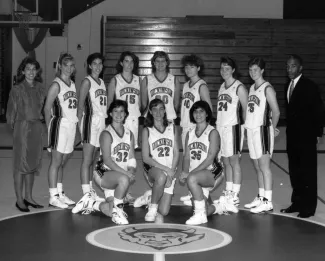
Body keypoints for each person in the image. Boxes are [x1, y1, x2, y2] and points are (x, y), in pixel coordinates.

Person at [72, 100, 136, 225]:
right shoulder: (106, 133)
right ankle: (118, 211)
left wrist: (131, 170)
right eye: (115, 111)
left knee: (109, 209)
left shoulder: (129, 134)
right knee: (124, 179)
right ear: (110, 114)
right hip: (103, 172)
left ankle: (91, 203)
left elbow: (132, 157)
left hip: (118, 175)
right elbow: (107, 160)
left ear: (126, 114)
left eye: (122, 111)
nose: (118, 114)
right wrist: (126, 174)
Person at [179, 101, 237, 225]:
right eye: (195, 111)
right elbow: (186, 157)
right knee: (205, 209)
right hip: (196, 175)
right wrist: (184, 172)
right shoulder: (189, 134)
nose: (198, 114)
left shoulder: (213, 132)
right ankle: (221, 206)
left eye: (201, 111)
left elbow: (210, 159)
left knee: (192, 179)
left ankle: (200, 216)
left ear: (207, 114)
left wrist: (189, 174)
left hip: (213, 172)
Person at [280, 54, 324, 218]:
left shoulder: (309, 86)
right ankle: (297, 202)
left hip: (307, 136)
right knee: (295, 171)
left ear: (300, 68)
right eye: (287, 66)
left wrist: (318, 133)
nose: (289, 69)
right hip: (292, 136)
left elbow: (318, 110)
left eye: (292, 66)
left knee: (308, 172)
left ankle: (309, 207)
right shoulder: (287, 86)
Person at [6, 57, 46, 212]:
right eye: (28, 69)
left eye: (33, 69)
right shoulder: (17, 89)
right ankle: (19, 199)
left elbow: (44, 107)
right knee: (20, 165)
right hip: (22, 128)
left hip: (36, 127)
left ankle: (28, 197)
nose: (31, 72)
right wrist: (16, 128)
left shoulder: (41, 88)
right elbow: (11, 113)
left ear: (37, 72)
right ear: (22, 71)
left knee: (32, 164)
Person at [244, 57, 280, 214]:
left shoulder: (267, 88)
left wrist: (271, 128)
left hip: (262, 130)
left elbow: (276, 111)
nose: (253, 73)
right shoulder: (252, 88)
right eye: (251, 70)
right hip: (251, 130)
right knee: (257, 166)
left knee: (265, 167)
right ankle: (260, 196)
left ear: (262, 70)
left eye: (256, 70)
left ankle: (268, 201)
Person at [133, 99, 179, 222]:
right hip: (152, 168)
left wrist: (172, 171)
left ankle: (149, 197)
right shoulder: (147, 130)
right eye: (154, 109)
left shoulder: (172, 128)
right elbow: (146, 158)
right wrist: (166, 170)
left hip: (169, 169)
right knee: (161, 178)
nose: (158, 112)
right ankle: (152, 209)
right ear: (150, 112)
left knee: (164, 211)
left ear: (165, 111)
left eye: (161, 109)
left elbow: (176, 152)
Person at [44, 53, 78, 208]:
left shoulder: (72, 83)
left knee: (62, 162)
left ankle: (60, 193)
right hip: (59, 125)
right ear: (60, 66)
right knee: (56, 162)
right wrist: (49, 127)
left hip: (70, 125)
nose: (69, 68)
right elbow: (46, 108)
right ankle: (53, 196)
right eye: (66, 65)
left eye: (72, 65)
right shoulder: (56, 85)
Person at [106, 51, 141, 204]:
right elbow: (109, 103)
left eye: (132, 61)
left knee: (128, 156)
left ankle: (125, 191)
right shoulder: (115, 80)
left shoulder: (139, 80)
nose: (129, 64)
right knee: (115, 153)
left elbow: (143, 102)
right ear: (121, 63)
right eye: (126, 61)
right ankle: (113, 188)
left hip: (132, 119)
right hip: (119, 118)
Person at [179, 54, 213, 205]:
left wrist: (206, 130)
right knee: (188, 159)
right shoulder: (186, 85)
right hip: (186, 126)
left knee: (198, 159)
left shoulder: (201, 85)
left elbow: (208, 108)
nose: (189, 69)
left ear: (198, 68)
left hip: (196, 127)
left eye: (192, 66)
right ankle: (192, 192)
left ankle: (201, 193)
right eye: (186, 67)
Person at [216, 57, 248, 206]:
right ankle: (228, 191)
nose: (224, 71)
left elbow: (246, 110)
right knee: (225, 161)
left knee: (234, 161)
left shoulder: (239, 87)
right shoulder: (222, 86)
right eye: (222, 68)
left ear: (233, 70)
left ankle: (235, 195)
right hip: (222, 128)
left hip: (234, 128)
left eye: (227, 68)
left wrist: (245, 129)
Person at [76, 53, 106, 202]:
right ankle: (86, 193)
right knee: (87, 160)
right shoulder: (87, 82)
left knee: (94, 160)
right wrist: (81, 128)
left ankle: (91, 190)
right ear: (89, 65)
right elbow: (80, 106)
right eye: (94, 63)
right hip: (89, 122)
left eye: (100, 63)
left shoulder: (101, 82)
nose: (98, 66)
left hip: (100, 123)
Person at [141, 51, 181, 122]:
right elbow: (144, 104)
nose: (160, 63)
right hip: (152, 119)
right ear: (154, 63)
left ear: (167, 63)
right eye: (157, 61)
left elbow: (176, 104)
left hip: (169, 118)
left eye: (163, 61)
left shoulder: (174, 80)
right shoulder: (146, 80)